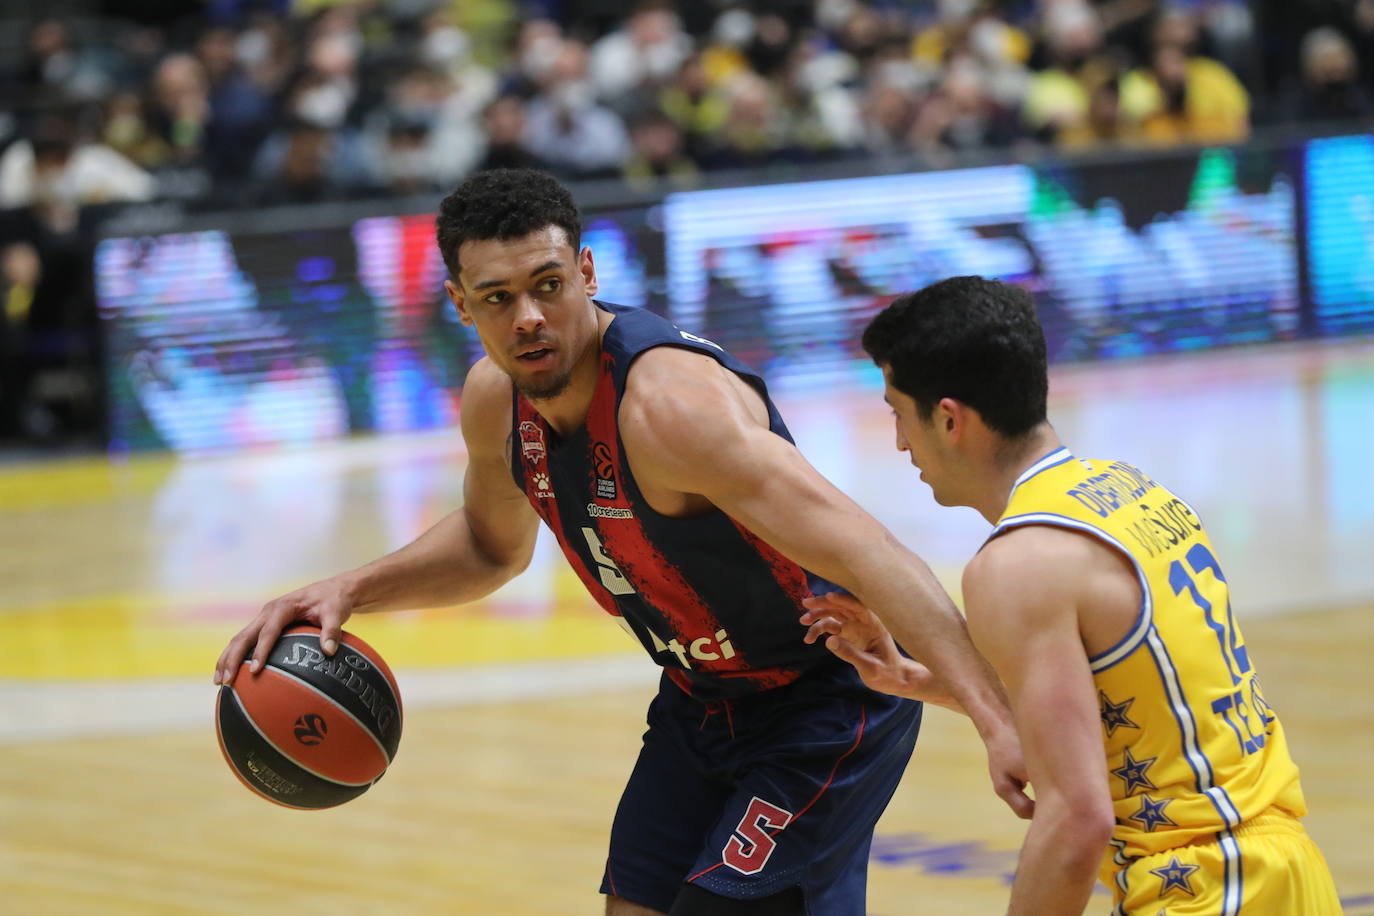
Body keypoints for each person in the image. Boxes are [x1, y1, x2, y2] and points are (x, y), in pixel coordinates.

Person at [214, 170, 1029, 915]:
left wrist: (996, 720)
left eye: (548, 286)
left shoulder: (672, 410)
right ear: (461, 306)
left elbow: (873, 554)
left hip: (825, 697)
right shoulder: (496, 404)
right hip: (697, 700)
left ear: (589, 274)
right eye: (497, 298)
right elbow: (490, 547)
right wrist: (349, 589)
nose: (528, 317)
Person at [801, 276, 1343, 915]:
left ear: (948, 419)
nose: (898, 442)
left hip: (1198, 887)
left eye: (897, 412)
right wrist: (917, 680)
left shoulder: (1016, 565)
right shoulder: (1130, 490)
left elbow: (1076, 818)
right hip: (1285, 869)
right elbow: (1126, 711)